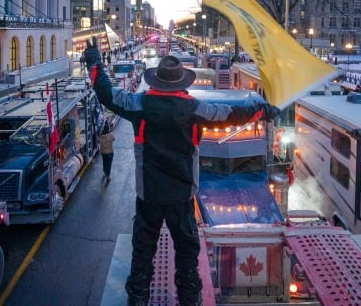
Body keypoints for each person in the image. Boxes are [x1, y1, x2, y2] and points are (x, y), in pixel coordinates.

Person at [83, 41, 279, 306]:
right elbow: (234, 114)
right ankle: (189, 298)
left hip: (149, 195)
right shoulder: (196, 109)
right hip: (182, 195)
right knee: (187, 253)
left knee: (143, 252)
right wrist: (264, 111)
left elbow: (106, 93)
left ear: (156, 82)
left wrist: (94, 59)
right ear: (181, 84)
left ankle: (138, 297)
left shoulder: (138, 105)